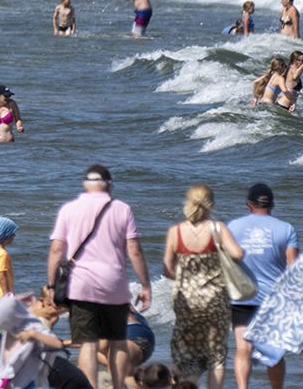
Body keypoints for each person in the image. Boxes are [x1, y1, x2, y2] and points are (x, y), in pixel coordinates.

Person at [47, 164, 152, 389]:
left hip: (80, 285)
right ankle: (118, 386)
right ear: (109, 184)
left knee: (88, 343)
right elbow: (133, 250)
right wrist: (145, 284)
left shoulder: (69, 209)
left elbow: (56, 250)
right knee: (117, 342)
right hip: (113, 283)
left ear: (85, 185)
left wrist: (51, 284)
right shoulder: (122, 208)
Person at [164, 184, 246, 389]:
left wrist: (186, 278)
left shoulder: (176, 231)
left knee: (187, 354)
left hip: (186, 300)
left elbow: (167, 269)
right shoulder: (217, 228)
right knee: (216, 356)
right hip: (215, 300)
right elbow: (238, 254)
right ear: (211, 204)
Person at [231, 182, 298, 389]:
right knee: (274, 353)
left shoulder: (233, 227)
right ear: (272, 205)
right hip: (273, 300)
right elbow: (292, 268)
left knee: (243, 349)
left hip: (242, 298)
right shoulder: (286, 229)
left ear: (249, 205)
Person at [0, 216, 19, 297]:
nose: (14, 236)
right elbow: (2, 275)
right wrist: (7, 295)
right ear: (6, 235)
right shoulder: (2, 254)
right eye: (12, 233)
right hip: (0, 293)